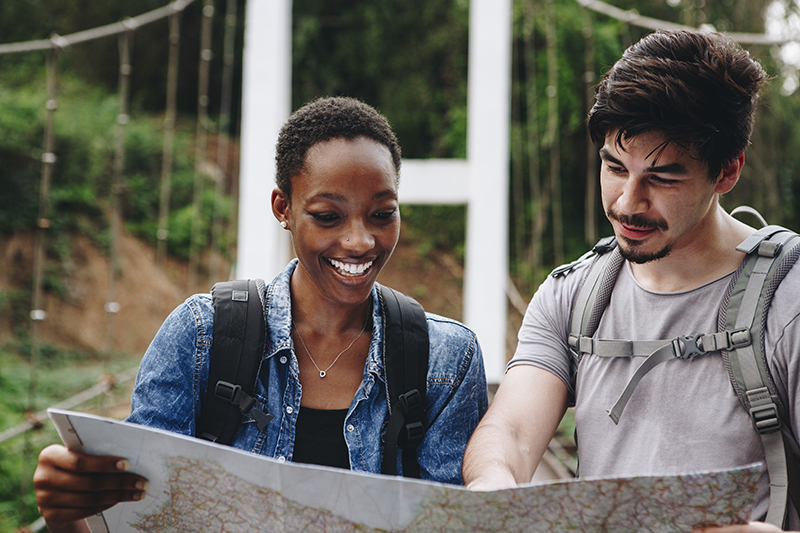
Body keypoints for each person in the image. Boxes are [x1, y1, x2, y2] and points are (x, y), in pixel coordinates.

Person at [34, 96, 488, 532]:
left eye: (382, 213)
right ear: (283, 209)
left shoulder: (446, 361)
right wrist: (66, 514)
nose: (360, 241)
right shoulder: (201, 337)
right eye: (328, 216)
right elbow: (137, 519)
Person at [462, 29, 800, 533]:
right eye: (614, 167)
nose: (627, 202)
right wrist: (493, 489)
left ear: (727, 172)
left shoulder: (788, 297)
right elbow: (508, 432)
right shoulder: (573, 295)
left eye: (662, 177)